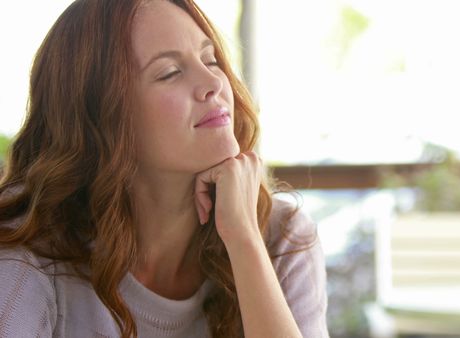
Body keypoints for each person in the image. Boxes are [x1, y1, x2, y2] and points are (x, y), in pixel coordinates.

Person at [0, 0, 328, 337]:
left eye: (210, 59)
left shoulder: (281, 238)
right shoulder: (27, 255)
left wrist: (244, 238)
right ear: (99, 117)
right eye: (170, 72)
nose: (213, 83)